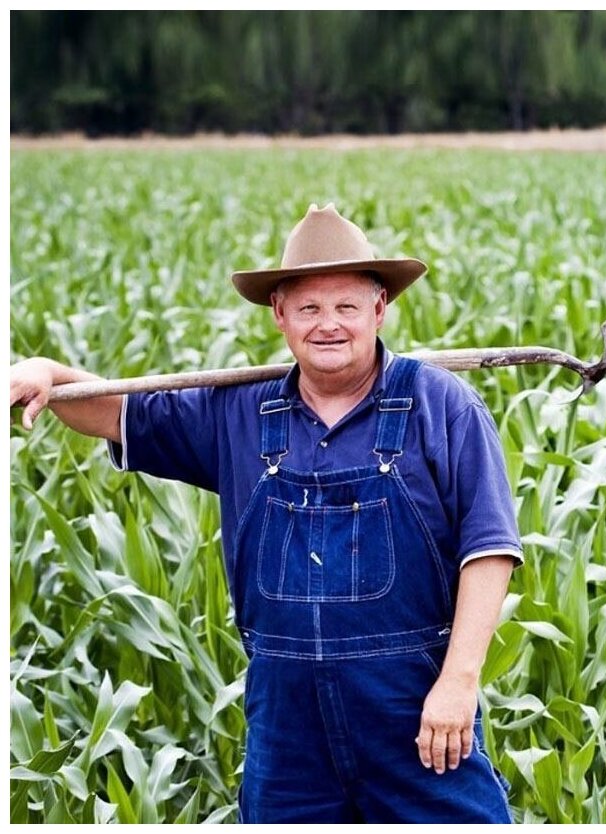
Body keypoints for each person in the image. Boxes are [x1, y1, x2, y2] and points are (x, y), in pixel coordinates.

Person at [10, 203, 523, 824]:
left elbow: (490, 549)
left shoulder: (442, 405)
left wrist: (459, 683)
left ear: (379, 309)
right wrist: (49, 374)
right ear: (279, 314)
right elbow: (115, 412)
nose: (328, 325)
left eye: (346, 307)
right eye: (308, 308)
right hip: (288, 732)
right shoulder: (240, 412)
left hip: (417, 718)